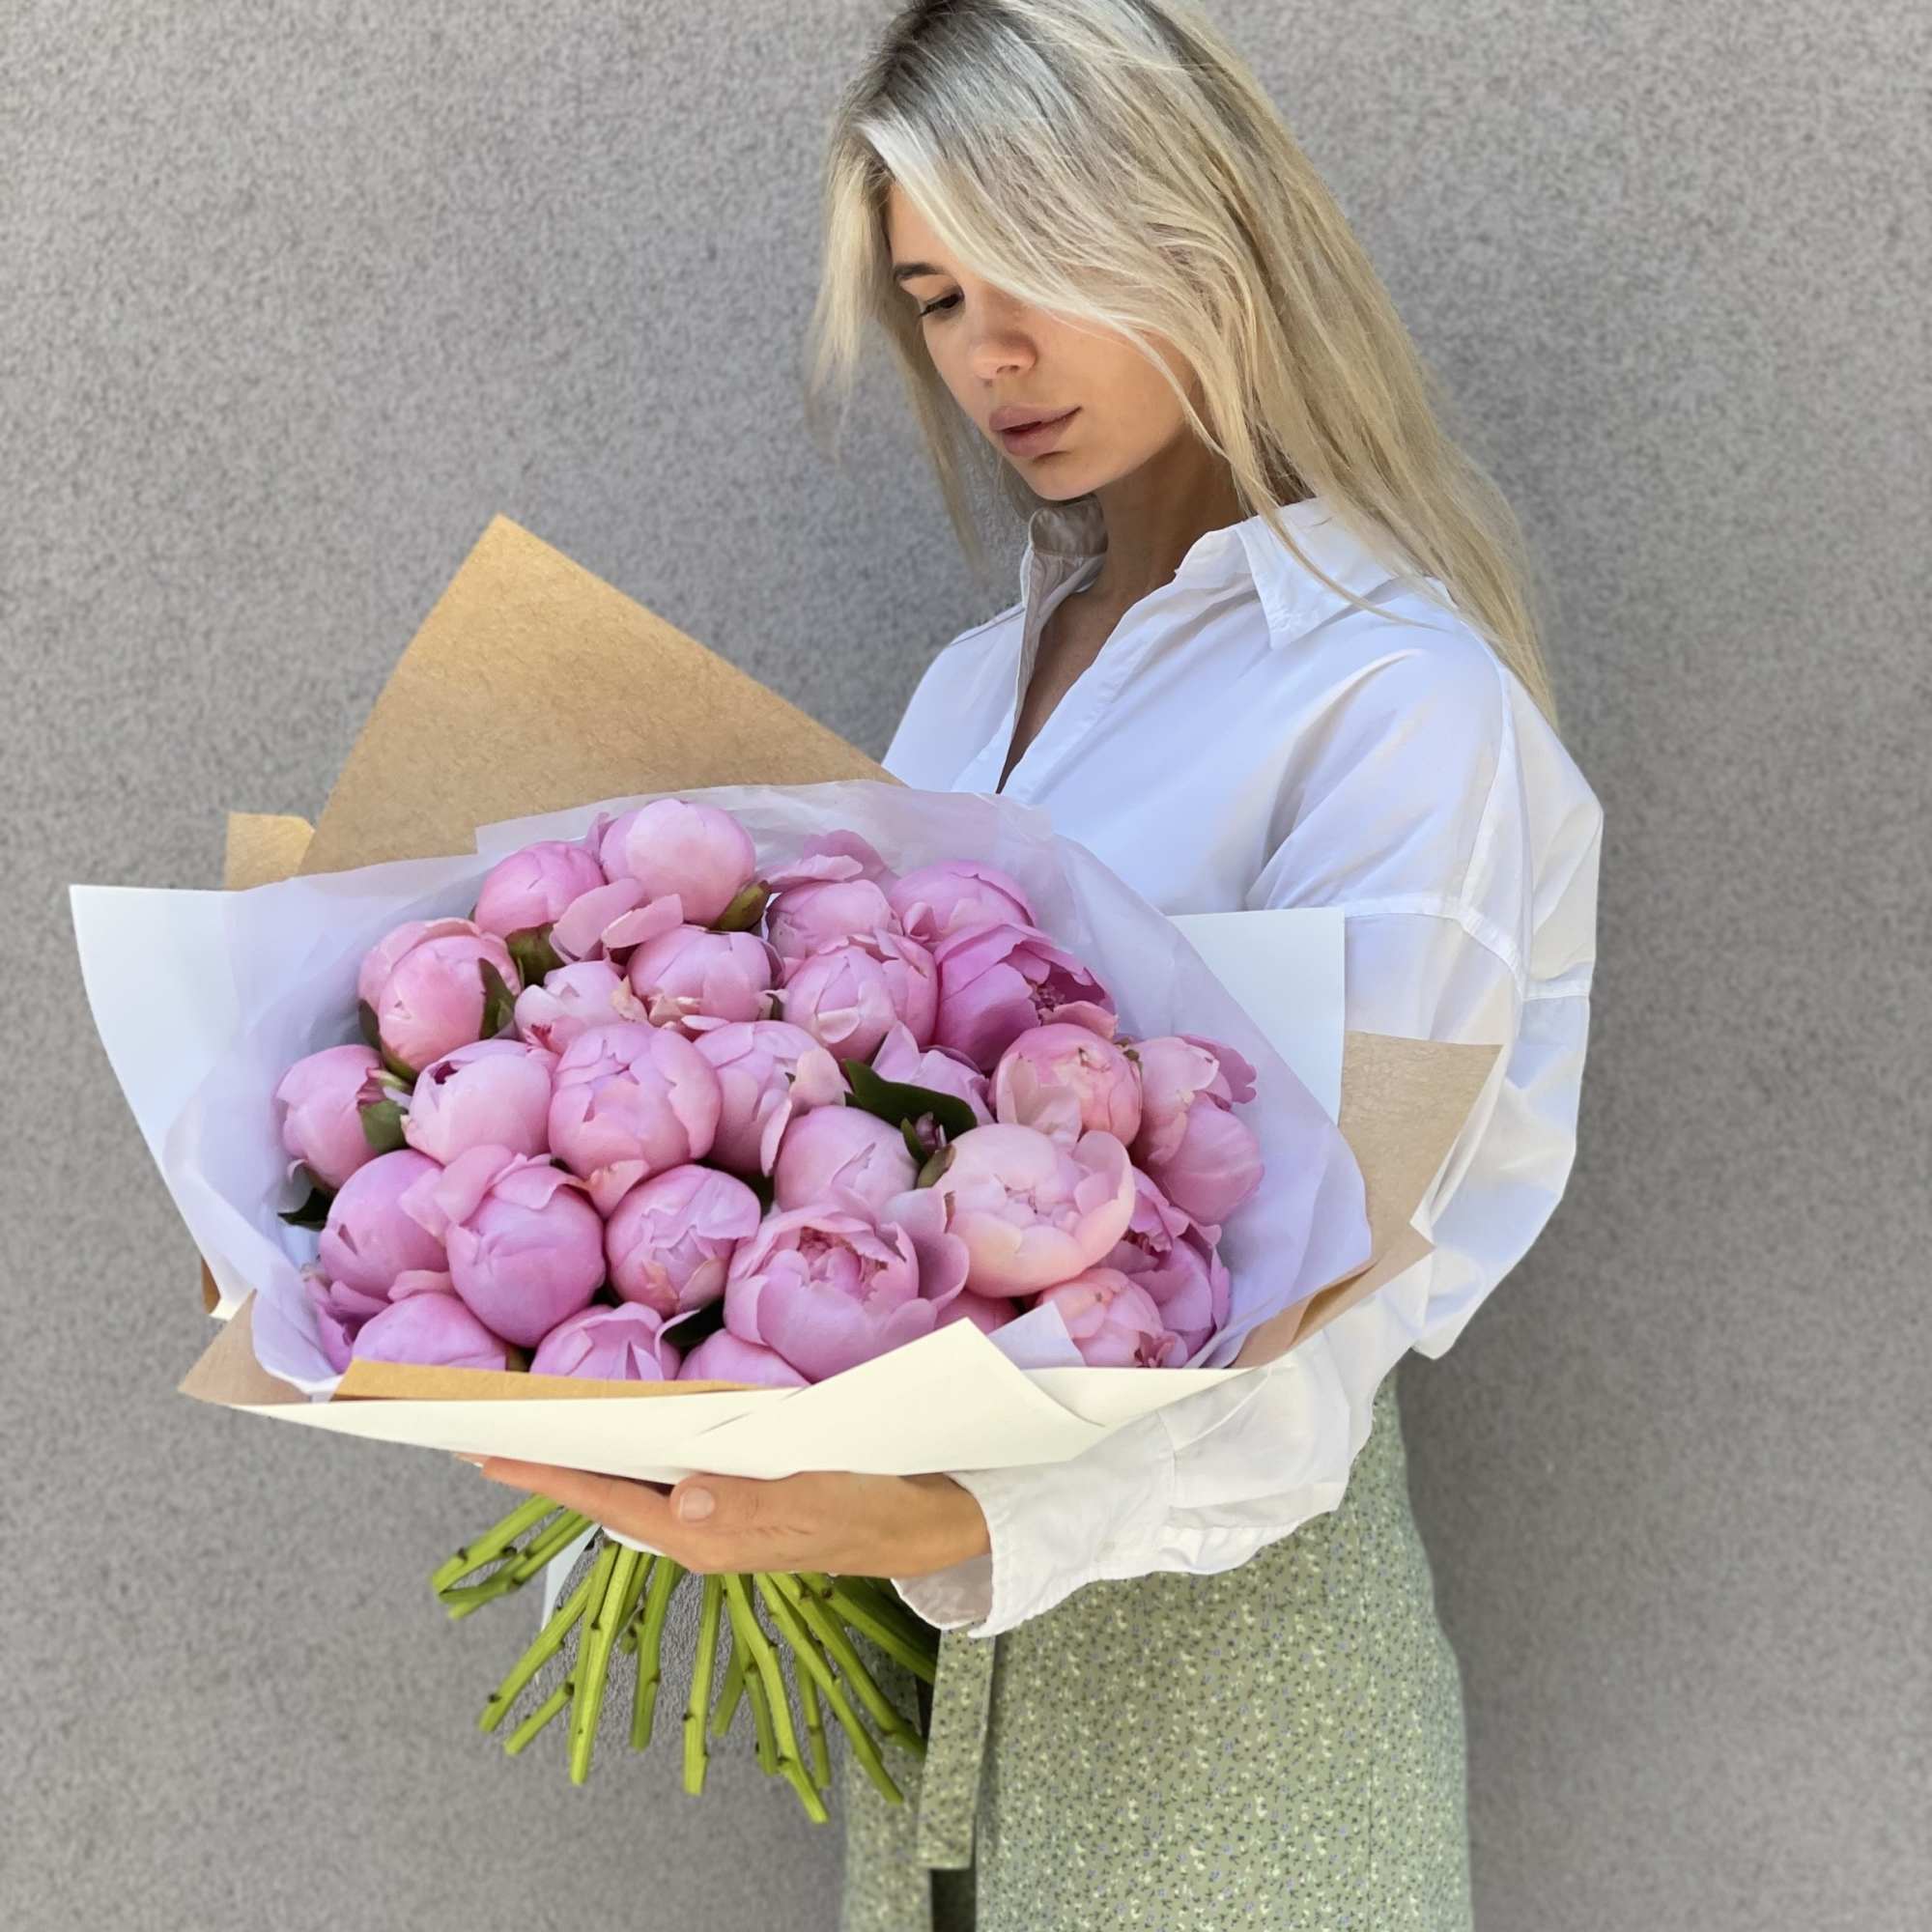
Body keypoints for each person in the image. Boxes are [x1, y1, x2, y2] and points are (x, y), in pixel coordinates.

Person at [476, 4, 1604, 1927]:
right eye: (933, 295)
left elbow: (1324, 1316)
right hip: (921, 1699)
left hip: (1235, 1716)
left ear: (1200, 231)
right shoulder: (967, 689)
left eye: (1042, 271)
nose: (990, 355)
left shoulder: (1393, 704)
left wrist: (936, 1515)